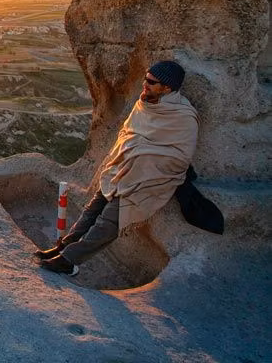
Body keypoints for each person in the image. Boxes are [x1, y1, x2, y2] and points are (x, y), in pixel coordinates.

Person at [37, 60, 199, 276]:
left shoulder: (183, 117)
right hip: (122, 169)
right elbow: (128, 134)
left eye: (151, 81)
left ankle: (69, 261)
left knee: (110, 220)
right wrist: (131, 153)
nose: (145, 84)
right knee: (92, 209)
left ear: (167, 88)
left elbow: (179, 157)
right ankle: (65, 246)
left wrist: (142, 156)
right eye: (145, 78)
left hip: (148, 178)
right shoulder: (145, 104)